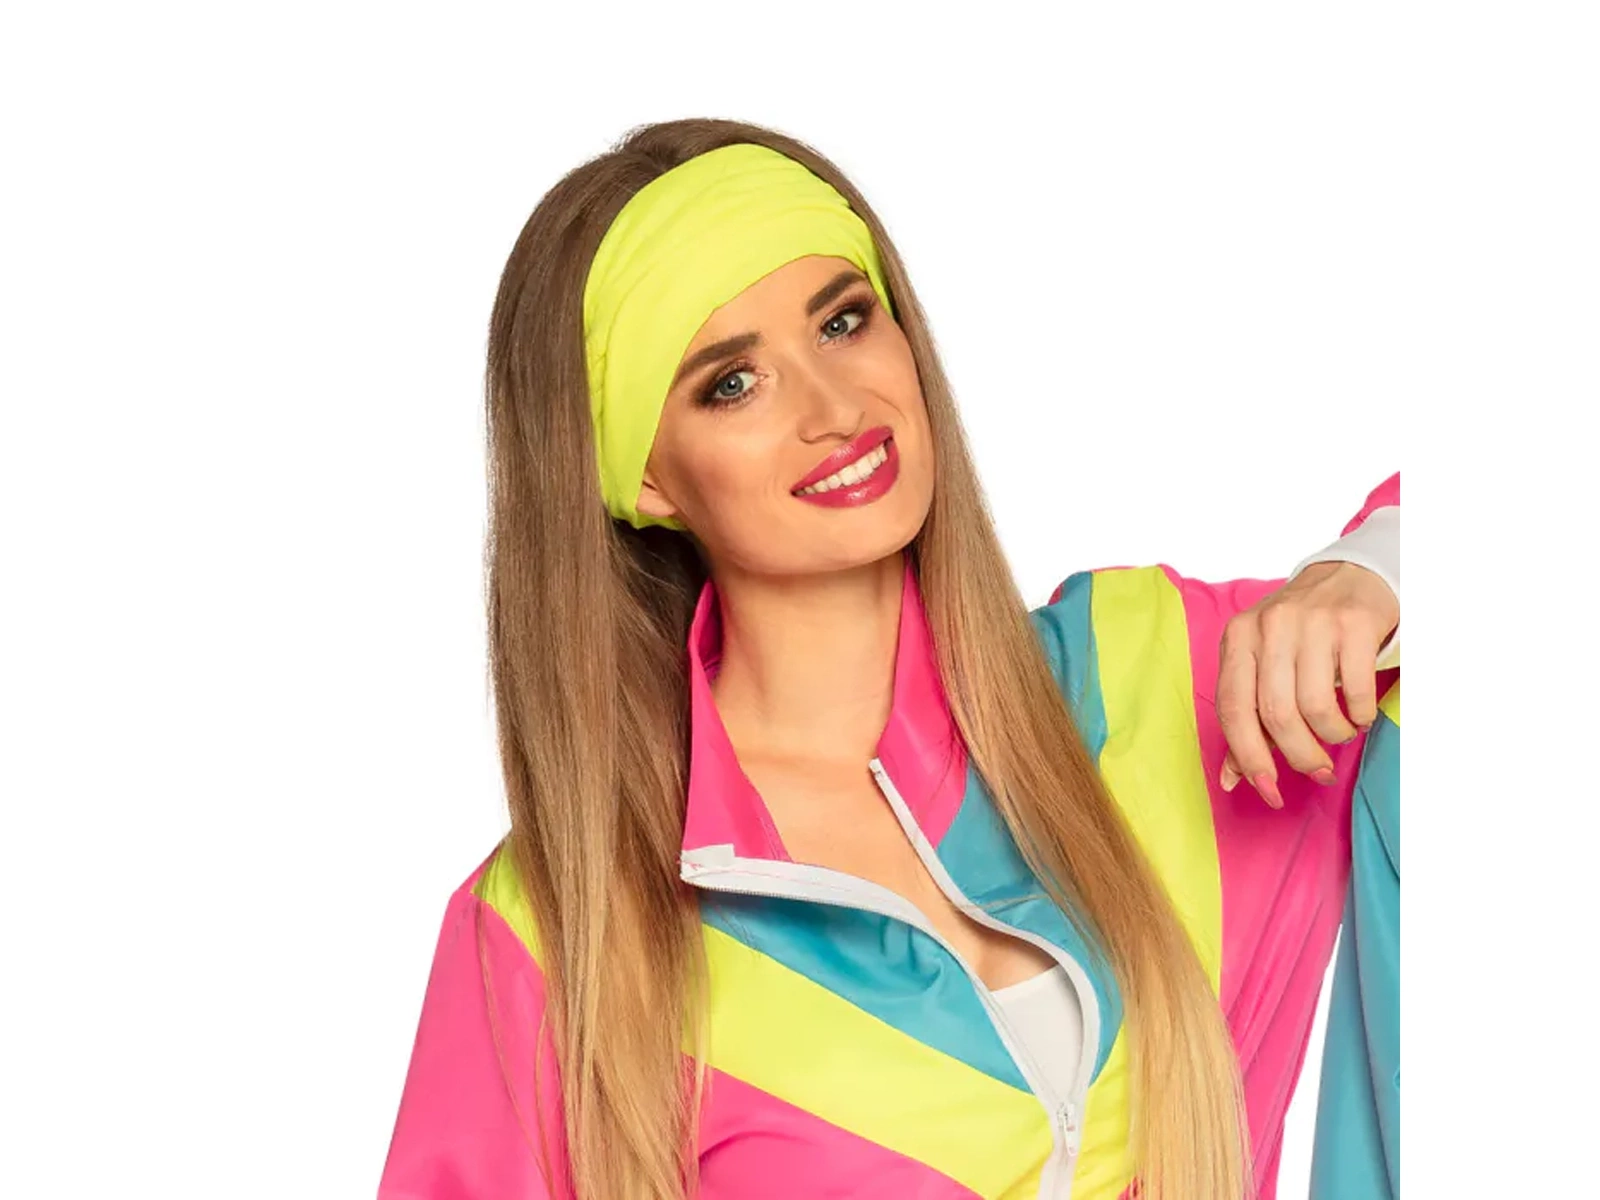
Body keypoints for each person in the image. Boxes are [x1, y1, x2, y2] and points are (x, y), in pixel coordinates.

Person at [377, 119, 1401, 1200]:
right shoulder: (554, 929)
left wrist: (1376, 569)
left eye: (843, 321)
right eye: (733, 383)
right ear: (645, 478)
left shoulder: (1157, 679)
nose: (836, 410)